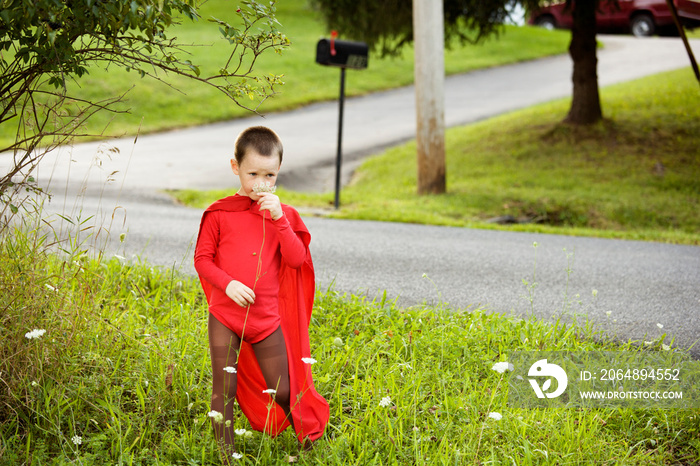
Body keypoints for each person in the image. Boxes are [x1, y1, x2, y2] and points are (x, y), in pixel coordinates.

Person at [194, 126, 329, 459]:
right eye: (252, 173)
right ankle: (227, 455)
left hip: (265, 319)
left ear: (278, 172)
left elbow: (297, 259)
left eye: (269, 175)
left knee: (283, 390)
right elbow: (202, 259)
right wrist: (228, 283)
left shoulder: (282, 215)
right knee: (223, 387)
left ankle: (309, 438)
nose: (260, 182)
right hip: (225, 315)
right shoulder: (219, 213)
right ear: (235, 167)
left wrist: (280, 217)